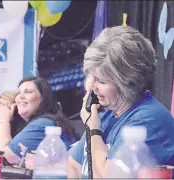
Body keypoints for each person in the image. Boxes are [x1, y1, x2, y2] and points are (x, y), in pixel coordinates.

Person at [68, 26, 174, 178]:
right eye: (93, 77)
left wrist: (94, 130)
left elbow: (110, 176)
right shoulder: (104, 115)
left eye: (101, 81)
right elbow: (73, 166)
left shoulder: (148, 120)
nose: (92, 87)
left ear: (128, 83)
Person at [0, 77, 77, 165]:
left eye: (28, 92)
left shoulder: (44, 123)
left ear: (43, 99)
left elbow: (3, 157)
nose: (20, 96)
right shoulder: (25, 124)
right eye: (18, 92)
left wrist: (3, 121)